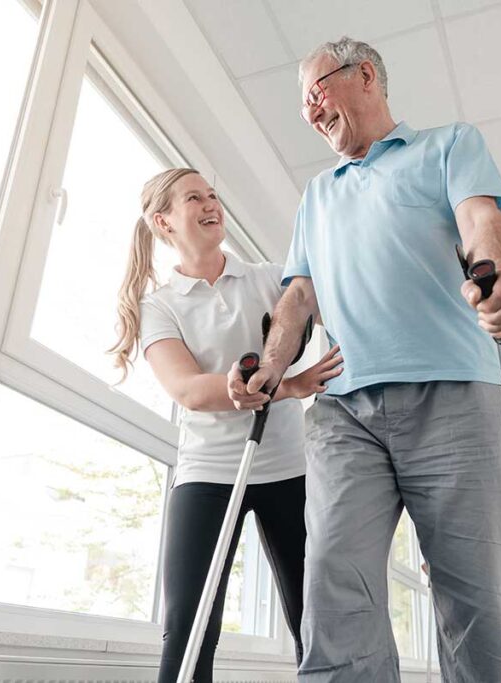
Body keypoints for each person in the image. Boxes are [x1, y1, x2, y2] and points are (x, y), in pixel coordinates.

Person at [228, 37, 501, 682]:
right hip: (346, 412)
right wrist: (271, 367)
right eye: (303, 106)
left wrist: (497, 270)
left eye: (316, 93)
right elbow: (297, 297)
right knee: (333, 587)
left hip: (452, 394)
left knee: (478, 594)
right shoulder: (317, 196)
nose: (311, 112)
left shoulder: (447, 146)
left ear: (365, 75)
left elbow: (481, 219)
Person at [109, 168, 343, 683]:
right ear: (163, 221)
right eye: (194, 197)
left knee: (319, 621)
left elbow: (341, 309)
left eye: (213, 194)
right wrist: (289, 386)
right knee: (189, 630)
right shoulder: (159, 305)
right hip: (207, 475)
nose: (211, 203)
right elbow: (189, 390)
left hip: (288, 469)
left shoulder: (269, 278)